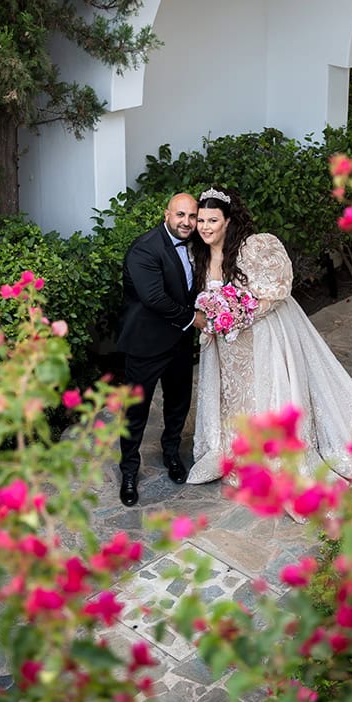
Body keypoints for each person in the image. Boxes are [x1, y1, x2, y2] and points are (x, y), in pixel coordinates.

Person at [186, 187, 352, 488]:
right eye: (201, 221)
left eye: (212, 220)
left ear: (227, 221)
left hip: (260, 335)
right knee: (235, 395)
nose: (205, 227)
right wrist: (214, 317)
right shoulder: (198, 254)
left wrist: (242, 313)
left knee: (263, 392)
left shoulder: (254, 247)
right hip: (226, 347)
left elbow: (278, 289)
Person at [116, 192, 207, 506]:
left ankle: (171, 454)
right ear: (166, 214)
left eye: (192, 216)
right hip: (146, 344)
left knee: (178, 403)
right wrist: (193, 318)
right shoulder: (145, 249)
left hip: (179, 343)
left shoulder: (196, 244)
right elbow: (154, 298)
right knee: (136, 412)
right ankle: (129, 471)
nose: (187, 222)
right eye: (180, 215)